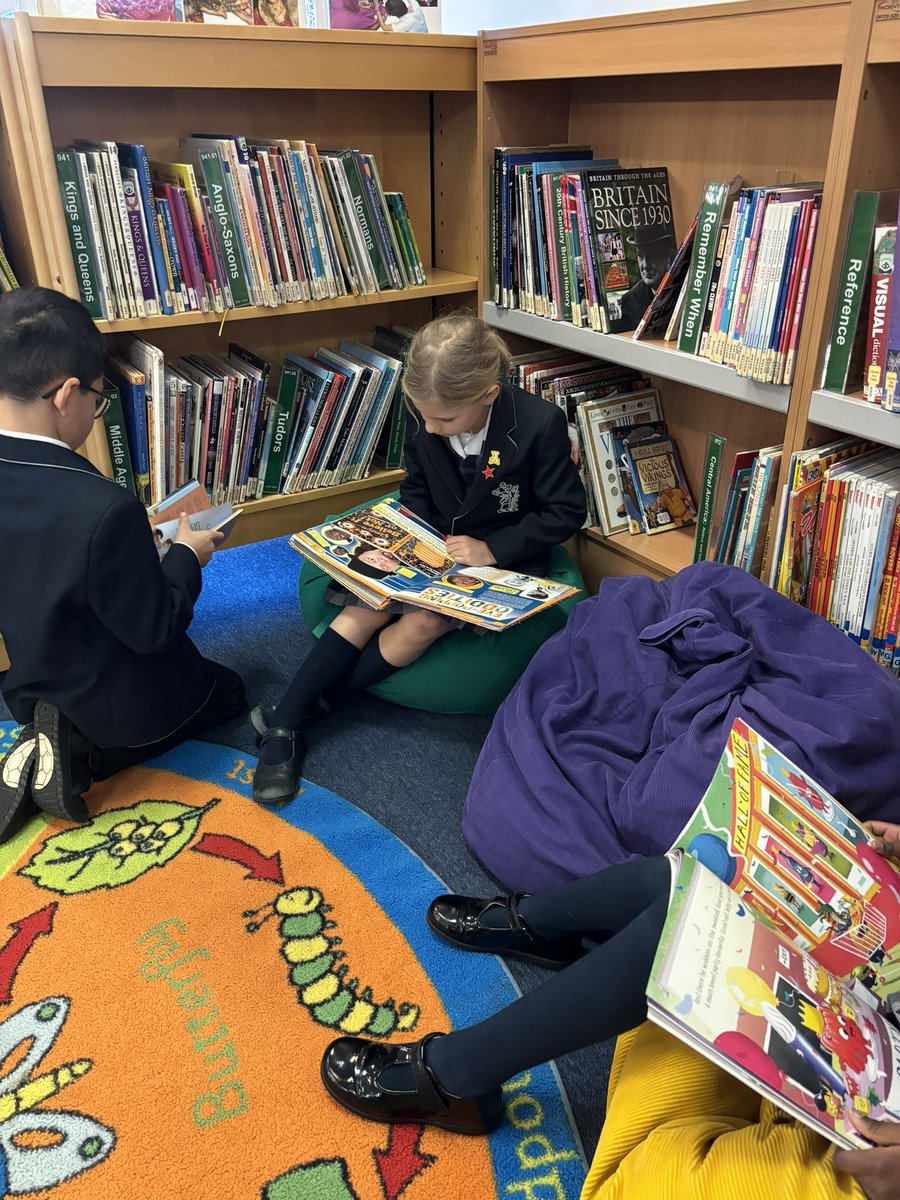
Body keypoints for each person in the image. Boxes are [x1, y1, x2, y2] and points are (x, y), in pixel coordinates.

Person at [319, 830, 900, 1199]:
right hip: (871, 1031)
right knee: (696, 891)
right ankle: (543, 926)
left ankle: (454, 1076)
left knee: (686, 942)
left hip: (862, 1137)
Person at [249, 311, 586, 804]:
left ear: (488, 395)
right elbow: (418, 487)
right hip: (432, 546)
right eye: (422, 414)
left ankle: (297, 713)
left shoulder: (540, 425)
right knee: (364, 602)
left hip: (500, 556)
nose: (429, 427)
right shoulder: (427, 414)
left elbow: (565, 512)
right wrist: (409, 538)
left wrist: (492, 550)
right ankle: (285, 726)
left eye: (444, 420)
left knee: (424, 622)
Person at [0, 287, 245, 843]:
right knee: (228, 689)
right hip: (119, 703)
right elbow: (154, 628)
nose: (93, 408)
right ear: (65, 395)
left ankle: (48, 728)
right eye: (96, 396)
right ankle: (86, 752)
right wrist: (186, 553)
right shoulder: (103, 507)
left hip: (33, 676)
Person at [618, 225, 673, 331]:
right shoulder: (629, 301)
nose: (645, 265)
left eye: (652, 256)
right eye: (640, 256)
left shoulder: (683, 288)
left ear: (667, 256)